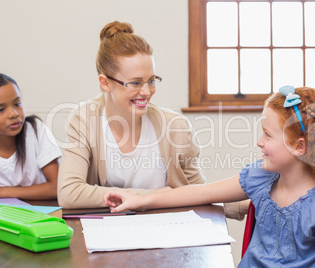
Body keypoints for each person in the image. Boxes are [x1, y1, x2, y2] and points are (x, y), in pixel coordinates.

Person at [104, 86, 315, 267]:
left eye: (268, 135)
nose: (260, 142)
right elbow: (200, 193)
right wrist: (138, 199)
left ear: (300, 146)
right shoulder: (262, 178)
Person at [56, 20, 247, 219]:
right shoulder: (85, 119)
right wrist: (153, 196)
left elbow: (198, 192)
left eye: (151, 81)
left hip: (169, 231)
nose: (146, 92)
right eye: (136, 83)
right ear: (105, 83)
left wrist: (245, 205)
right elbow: (70, 192)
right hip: (110, 233)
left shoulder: (175, 127)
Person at [0, 72, 61, 200]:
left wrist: (0, 192)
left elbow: (57, 187)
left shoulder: (35, 130)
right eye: (1, 110)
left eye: (17, 104)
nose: (13, 114)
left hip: (40, 210)